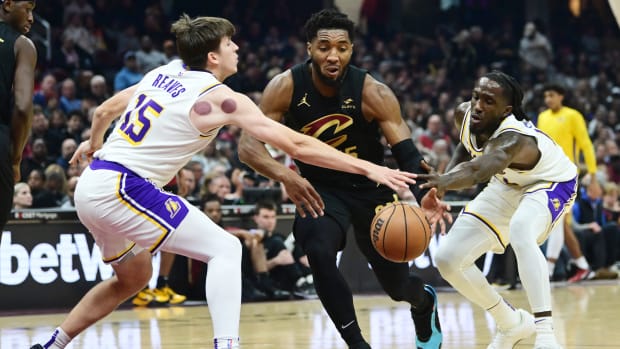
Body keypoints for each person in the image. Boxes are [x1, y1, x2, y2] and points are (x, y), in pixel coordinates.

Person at [31, 14, 416, 349]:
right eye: (230, 43)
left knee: (134, 277)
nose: (236, 48)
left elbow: (105, 110)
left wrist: (95, 145)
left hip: (92, 186)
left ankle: (52, 344)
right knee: (227, 249)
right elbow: (295, 143)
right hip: (123, 188)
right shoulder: (221, 98)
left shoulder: (164, 71)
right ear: (213, 56)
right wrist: (368, 168)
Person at [238, 9, 449, 349]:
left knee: (397, 288)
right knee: (319, 250)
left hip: (371, 189)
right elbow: (248, 148)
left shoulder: (373, 91)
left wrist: (428, 190)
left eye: (342, 47)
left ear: (351, 50)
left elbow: (407, 153)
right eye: (324, 47)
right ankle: (356, 343)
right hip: (318, 188)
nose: (333, 55)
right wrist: (286, 177)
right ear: (309, 48)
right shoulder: (284, 87)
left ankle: (422, 301)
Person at [417, 71, 575, 349]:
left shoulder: (515, 138)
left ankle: (546, 334)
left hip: (551, 182)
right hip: (508, 184)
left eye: (488, 101)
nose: (478, 105)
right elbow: (466, 149)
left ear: (506, 110)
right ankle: (511, 323)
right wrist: (441, 186)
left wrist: (444, 181)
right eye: (476, 96)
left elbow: (479, 170)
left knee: (521, 229)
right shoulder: (464, 114)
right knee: (448, 258)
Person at [537, 83, 598, 282]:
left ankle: (548, 270)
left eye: (552, 95)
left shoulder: (573, 115)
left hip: (566, 174)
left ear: (561, 96)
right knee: (561, 224)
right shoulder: (542, 117)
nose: (548, 99)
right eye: (546, 95)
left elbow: (585, 144)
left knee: (556, 221)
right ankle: (583, 266)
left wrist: (593, 174)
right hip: (546, 174)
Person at [0, 0, 37, 231]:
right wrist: (15, 160)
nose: (31, 18)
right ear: (8, 5)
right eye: (28, 9)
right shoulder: (21, 45)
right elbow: (23, 107)